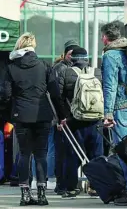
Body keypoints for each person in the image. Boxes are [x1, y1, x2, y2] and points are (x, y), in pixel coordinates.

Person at [1, 32, 55, 206]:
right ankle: (41, 194)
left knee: (24, 154)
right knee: (41, 155)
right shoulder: (44, 66)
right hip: (42, 114)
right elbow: (55, 92)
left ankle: (25, 195)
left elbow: (6, 94)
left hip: (21, 115)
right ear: (34, 46)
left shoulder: (11, 68)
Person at [100, 21, 127, 206]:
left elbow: (110, 86)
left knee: (125, 151)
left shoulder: (111, 55)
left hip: (120, 108)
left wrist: (108, 113)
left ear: (105, 37)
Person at [54, 46, 103, 199]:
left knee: (72, 155)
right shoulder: (97, 72)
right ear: (86, 59)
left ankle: (71, 188)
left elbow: (58, 97)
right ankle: (95, 187)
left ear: (72, 58)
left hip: (74, 120)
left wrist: (63, 117)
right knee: (96, 155)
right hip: (95, 120)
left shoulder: (66, 72)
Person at [48, 39, 79, 194]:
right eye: (70, 54)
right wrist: (60, 117)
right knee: (60, 150)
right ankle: (58, 181)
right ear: (65, 54)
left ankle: (62, 182)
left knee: (65, 151)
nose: (72, 57)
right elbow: (56, 96)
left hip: (67, 117)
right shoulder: (61, 68)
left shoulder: (68, 68)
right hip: (62, 117)